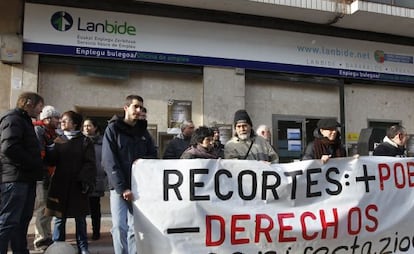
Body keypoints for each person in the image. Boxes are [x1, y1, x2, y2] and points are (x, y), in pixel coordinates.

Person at [102, 95, 157, 254]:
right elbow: (108, 160)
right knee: (119, 226)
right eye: (136, 107)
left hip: (139, 187)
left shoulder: (143, 132)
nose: (139, 110)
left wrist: (142, 162)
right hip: (119, 188)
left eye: (141, 107)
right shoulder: (113, 129)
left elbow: (152, 155)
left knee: (135, 228)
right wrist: (122, 188)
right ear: (126, 108)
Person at [45, 111, 97, 254]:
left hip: (78, 185)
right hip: (60, 185)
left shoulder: (85, 141)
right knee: (59, 218)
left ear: (75, 124)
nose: (62, 122)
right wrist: (48, 150)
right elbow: (51, 161)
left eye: (66, 120)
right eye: (61, 120)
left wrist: (83, 179)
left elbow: (90, 163)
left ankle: (83, 247)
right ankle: (57, 247)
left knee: (80, 218)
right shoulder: (58, 140)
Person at [0, 92, 44, 254]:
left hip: (26, 179)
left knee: (21, 221)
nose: (40, 111)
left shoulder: (24, 121)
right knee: (8, 221)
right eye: (40, 106)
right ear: (29, 103)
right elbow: (9, 148)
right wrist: (33, 163)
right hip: (15, 180)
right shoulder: (13, 119)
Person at [32, 105, 61, 250]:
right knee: (42, 208)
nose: (59, 121)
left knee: (48, 208)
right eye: (56, 118)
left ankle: (46, 237)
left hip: (50, 175)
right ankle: (41, 239)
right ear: (47, 118)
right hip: (42, 175)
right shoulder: (39, 131)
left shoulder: (53, 133)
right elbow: (40, 154)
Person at [82, 118, 108, 240]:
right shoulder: (80, 141)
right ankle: (81, 234)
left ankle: (96, 232)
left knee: (95, 209)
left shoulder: (102, 143)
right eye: (85, 126)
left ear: (95, 127)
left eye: (89, 125)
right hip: (82, 180)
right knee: (81, 210)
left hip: (96, 179)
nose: (87, 128)